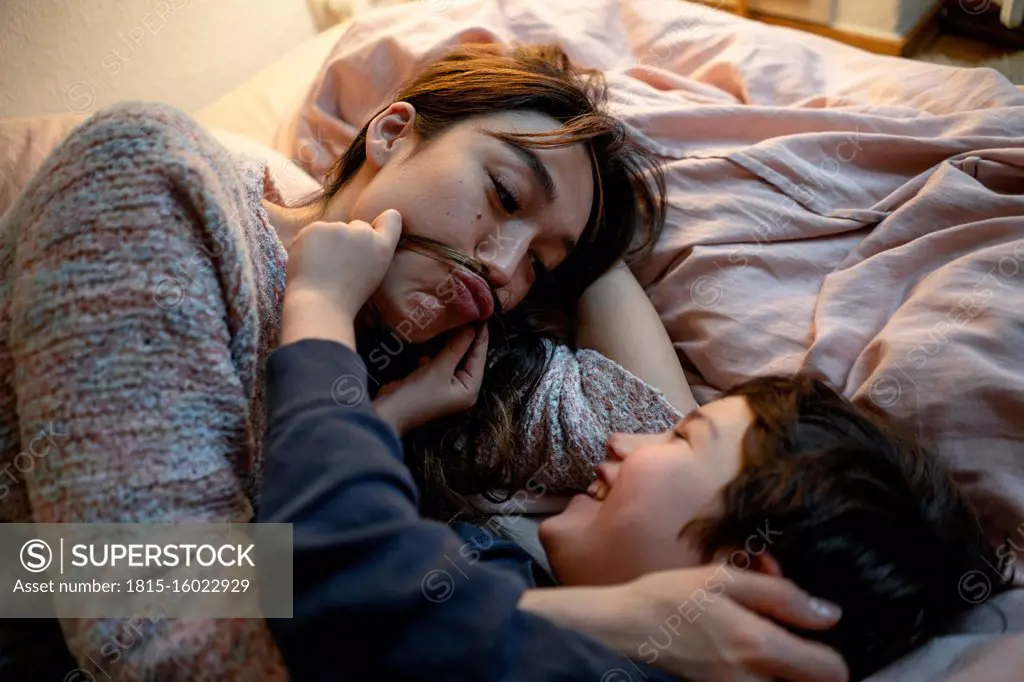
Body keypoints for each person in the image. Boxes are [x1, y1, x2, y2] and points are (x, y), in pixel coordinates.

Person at [0, 43, 689, 680]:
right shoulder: (160, 180)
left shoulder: (443, 374)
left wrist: (587, 255)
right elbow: (132, 606)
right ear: (391, 133)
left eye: (537, 264)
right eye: (503, 194)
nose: (504, 266)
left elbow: (674, 453)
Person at [258, 209, 1013, 681]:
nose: (625, 439)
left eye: (683, 439)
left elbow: (330, 582)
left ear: (745, 572)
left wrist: (320, 309)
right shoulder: (514, 584)